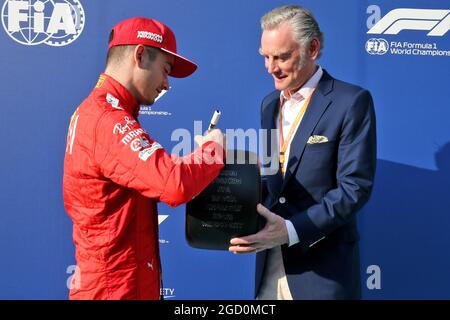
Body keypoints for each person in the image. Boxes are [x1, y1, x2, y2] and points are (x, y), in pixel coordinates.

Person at [63, 17, 225, 300]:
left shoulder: (101, 113)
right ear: (140, 55)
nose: (166, 84)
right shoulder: (106, 118)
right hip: (115, 291)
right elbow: (173, 184)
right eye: (165, 70)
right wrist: (213, 151)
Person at [229, 5, 376, 300]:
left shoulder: (351, 101)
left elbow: (354, 188)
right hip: (269, 267)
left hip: (322, 272)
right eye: (266, 57)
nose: (271, 67)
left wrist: (292, 230)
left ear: (312, 48)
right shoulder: (268, 104)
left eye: (282, 56)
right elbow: (273, 177)